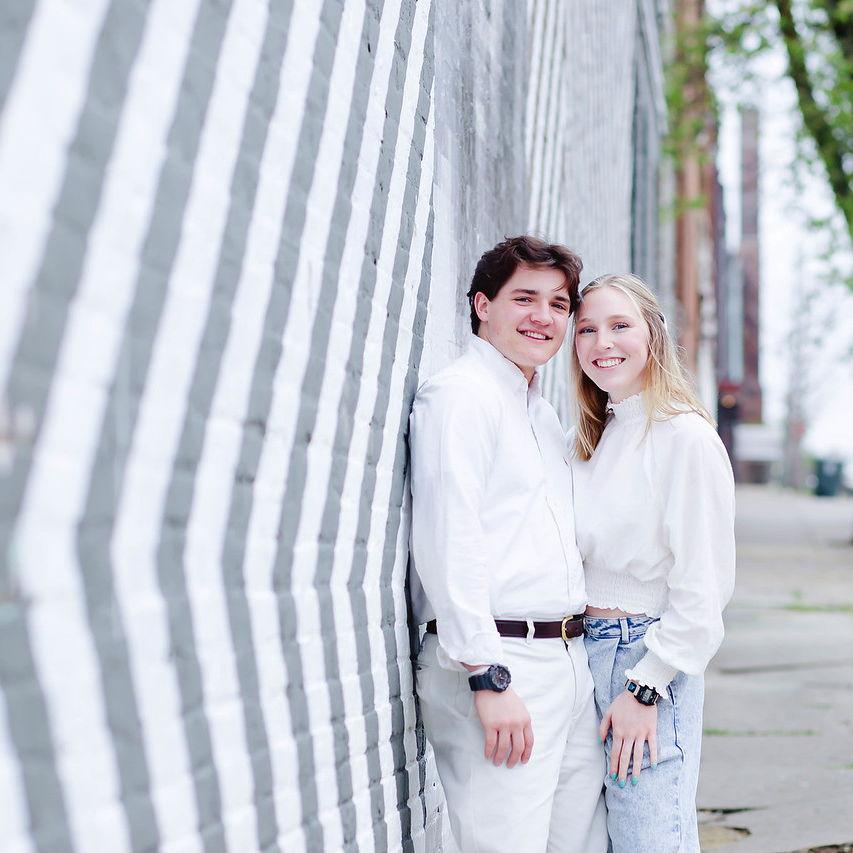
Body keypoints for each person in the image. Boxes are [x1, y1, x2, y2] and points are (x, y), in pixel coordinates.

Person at [409, 236, 607, 853]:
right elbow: (449, 536)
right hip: (501, 664)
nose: (543, 317)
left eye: (558, 303)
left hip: (568, 667)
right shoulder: (461, 397)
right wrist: (487, 676)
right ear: (481, 304)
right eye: (524, 298)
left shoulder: (539, 413)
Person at [569, 273, 736, 852]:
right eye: (586, 329)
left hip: (643, 653)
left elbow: (704, 585)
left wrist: (648, 687)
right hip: (581, 651)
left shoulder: (683, 438)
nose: (601, 342)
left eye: (620, 326)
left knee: (650, 837)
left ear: (654, 336)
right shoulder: (594, 437)